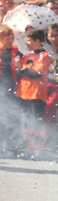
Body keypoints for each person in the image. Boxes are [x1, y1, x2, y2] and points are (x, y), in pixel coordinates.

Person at [16, 27, 50, 159]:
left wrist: (21, 68)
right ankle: (29, 148)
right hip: (24, 93)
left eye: (28, 40)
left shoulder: (44, 56)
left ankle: (39, 150)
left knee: (37, 121)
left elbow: (36, 74)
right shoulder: (27, 55)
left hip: (37, 93)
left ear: (37, 40)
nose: (26, 43)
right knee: (27, 122)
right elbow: (20, 71)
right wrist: (18, 60)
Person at [0, 25, 22, 157]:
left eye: (12, 38)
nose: (10, 40)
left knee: (13, 119)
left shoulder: (17, 52)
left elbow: (22, 68)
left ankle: (11, 148)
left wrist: (19, 67)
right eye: (7, 38)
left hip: (14, 89)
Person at [44, 23, 58, 152]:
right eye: (51, 36)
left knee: (51, 105)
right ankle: (47, 136)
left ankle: (52, 137)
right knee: (46, 110)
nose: (54, 38)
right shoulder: (44, 49)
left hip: (56, 84)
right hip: (45, 81)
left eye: (56, 35)